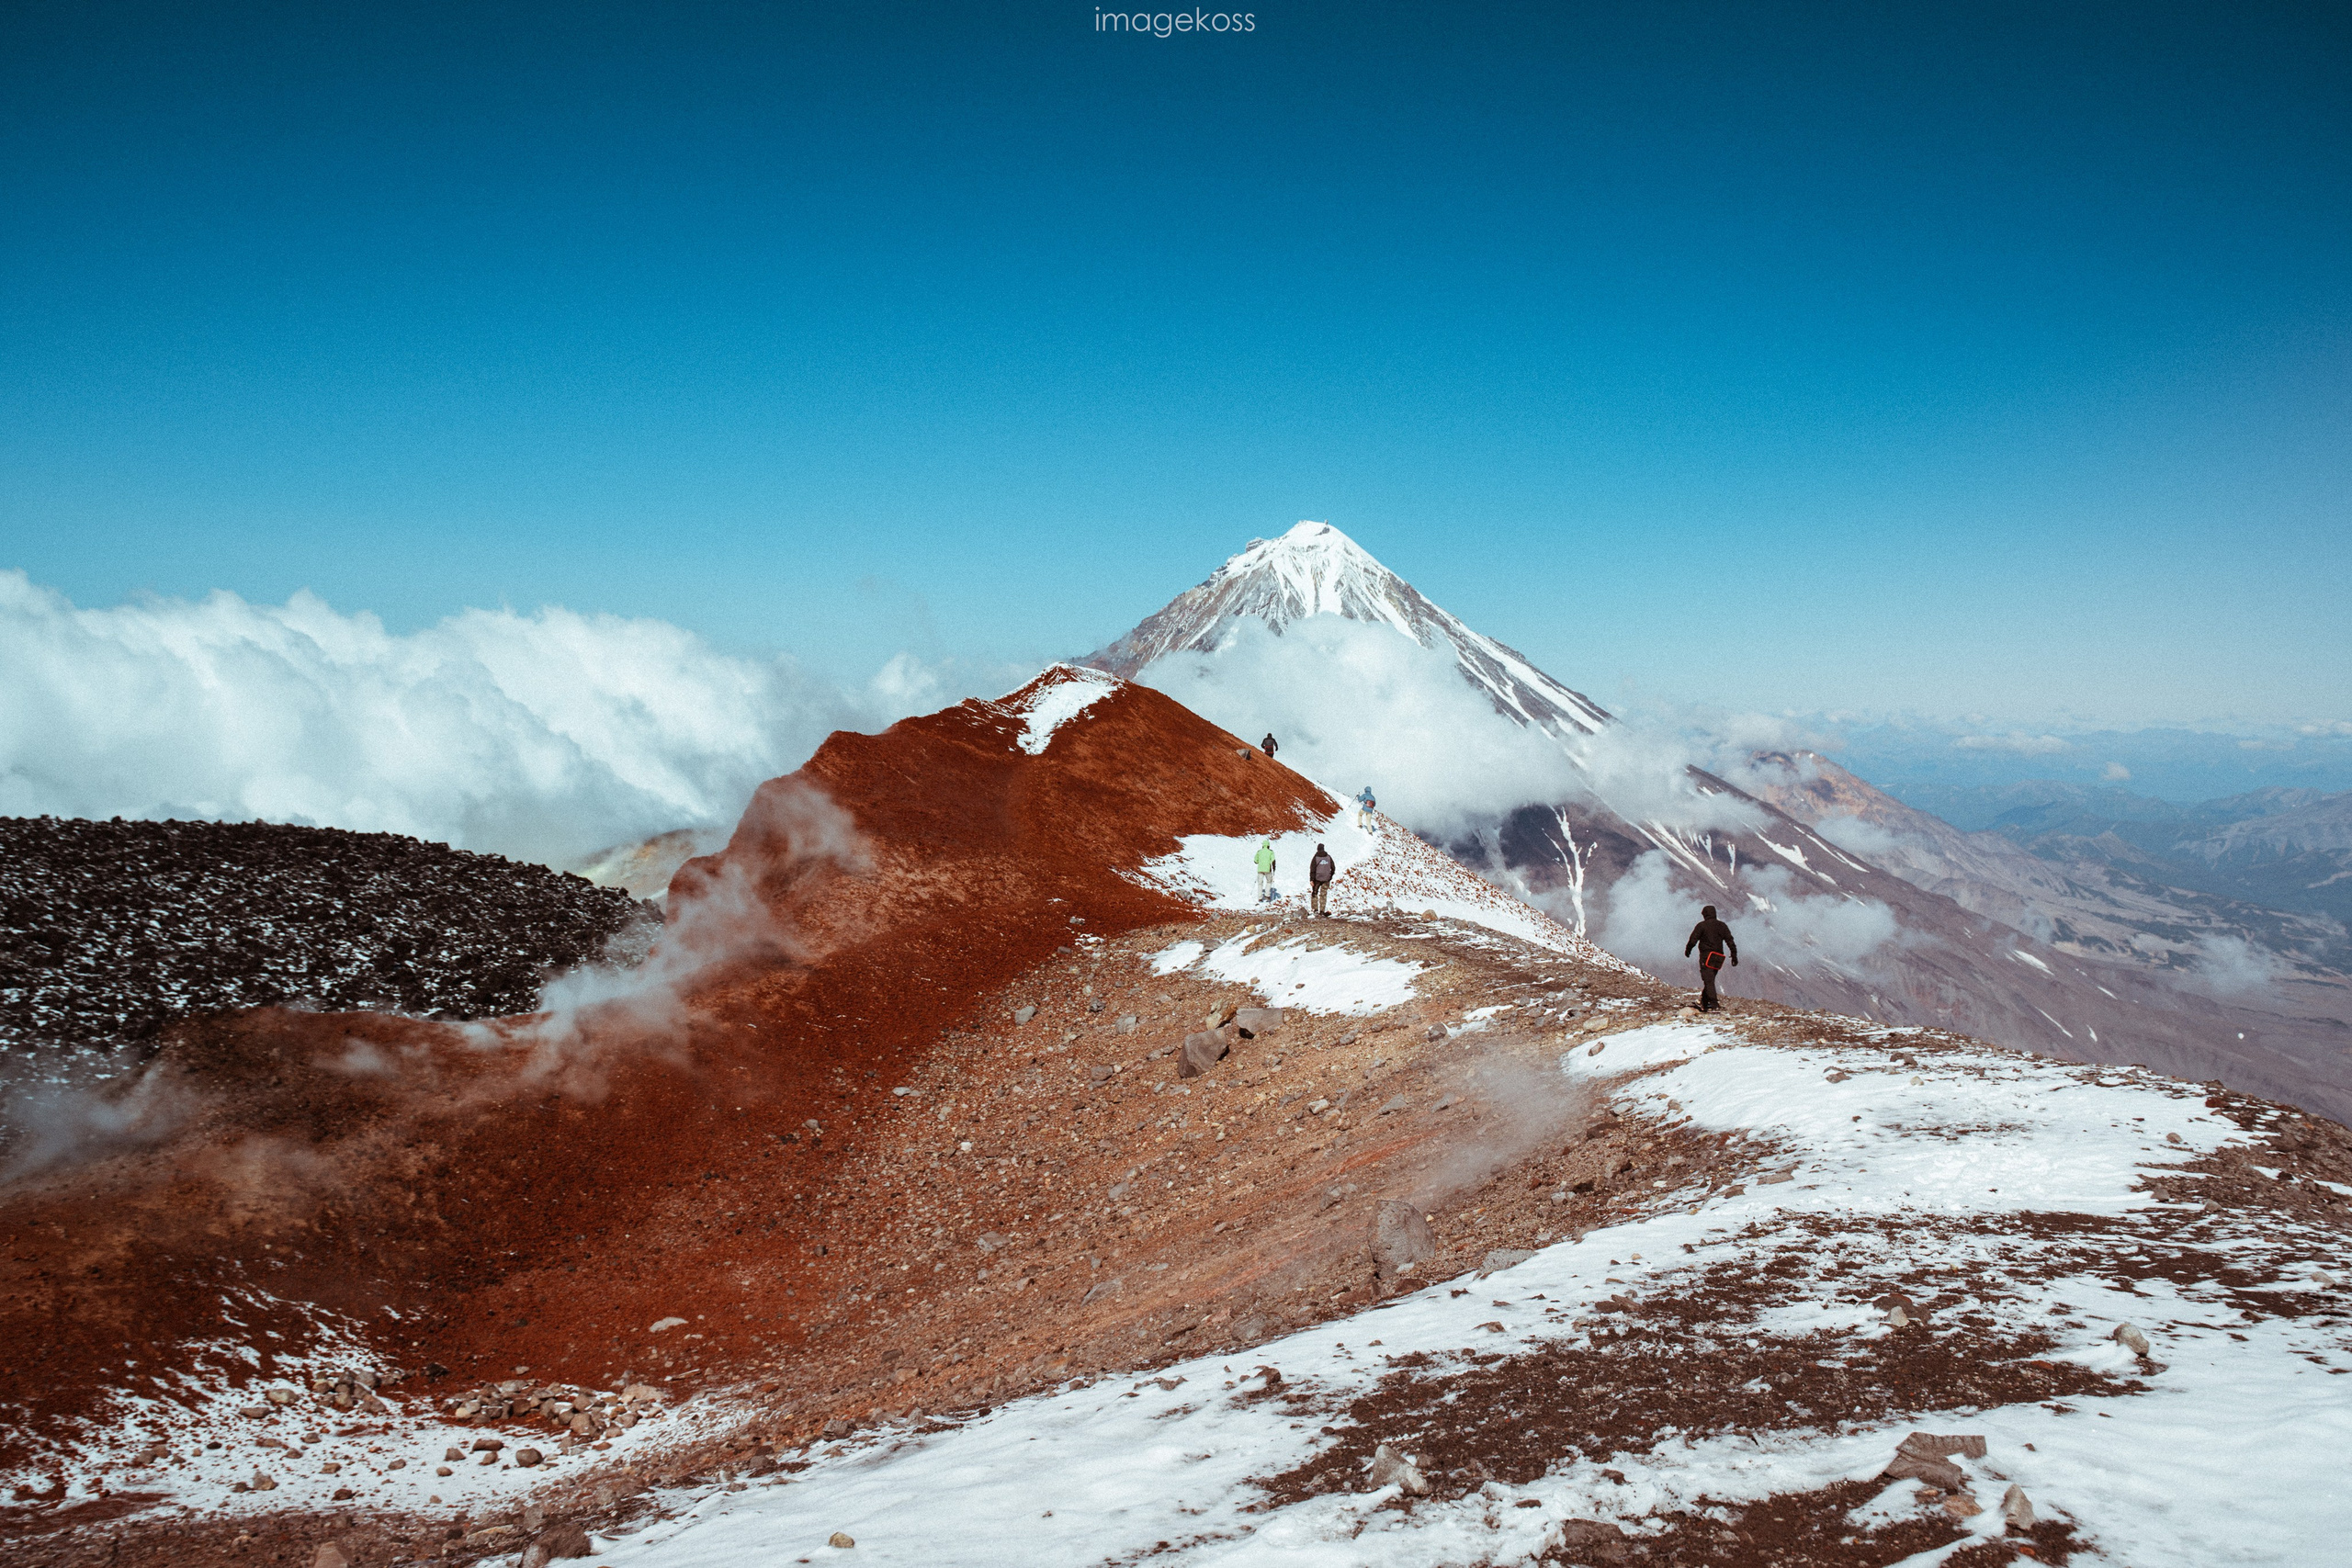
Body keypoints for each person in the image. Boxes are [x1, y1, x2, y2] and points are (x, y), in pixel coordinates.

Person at [1683, 904, 1738, 1011]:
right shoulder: (1722, 926)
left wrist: (1688, 950)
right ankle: (1704, 1002)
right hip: (1718, 957)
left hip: (1706, 956)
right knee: (1710, 979)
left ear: (1705, 914)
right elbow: (1730, 941)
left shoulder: (1701, 926)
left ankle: (1714, 1004)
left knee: (1708, 980)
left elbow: (1693, 939)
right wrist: (1734, 955)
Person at [1308, 841, 1336, 916]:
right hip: (1326, 879)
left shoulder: (1316, 857)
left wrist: (1311, 879)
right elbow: (1333, 868)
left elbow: (1312, 869)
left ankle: (1315, 909)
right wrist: (1330, 876)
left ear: (1317, 849)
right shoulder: (1328, 857)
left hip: (1317, 879)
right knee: (1323, 894)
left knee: (1315, 893)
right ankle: (1322, 911)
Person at [1253, 837, 1277, 902]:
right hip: (1268, 869)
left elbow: (1255, 861)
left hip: (1260, 869)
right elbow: (1273, 861)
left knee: (1260, 883)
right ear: (1268, 846)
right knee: (1269, 881)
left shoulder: (1259, 852)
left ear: (1263, 845)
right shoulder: (1271, 852)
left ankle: (1260, 897)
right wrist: (1274, 868)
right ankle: (1267, 895)